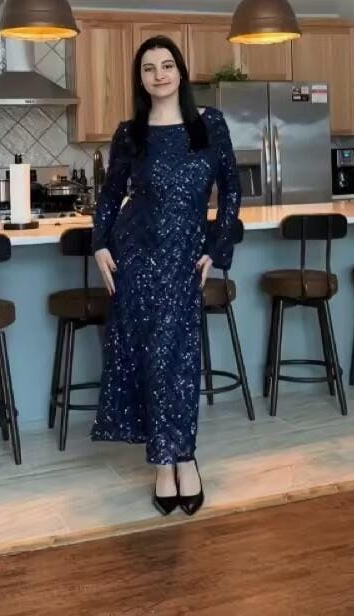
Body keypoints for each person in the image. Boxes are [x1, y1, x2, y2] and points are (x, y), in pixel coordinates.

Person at [91, 35, 241, 516]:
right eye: (149, 68)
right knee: (150, 358)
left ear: (180, 71)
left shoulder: (209, 125)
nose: (159, 74)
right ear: (140, 79)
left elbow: (231, 190)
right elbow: (111, 195)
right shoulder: (130, 133)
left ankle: (185, 456)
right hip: (137, 256)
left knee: (178, 359)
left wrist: (216, 249)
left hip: (185, 260)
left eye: (167, 65)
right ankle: (163, 462)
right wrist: (100, 244)